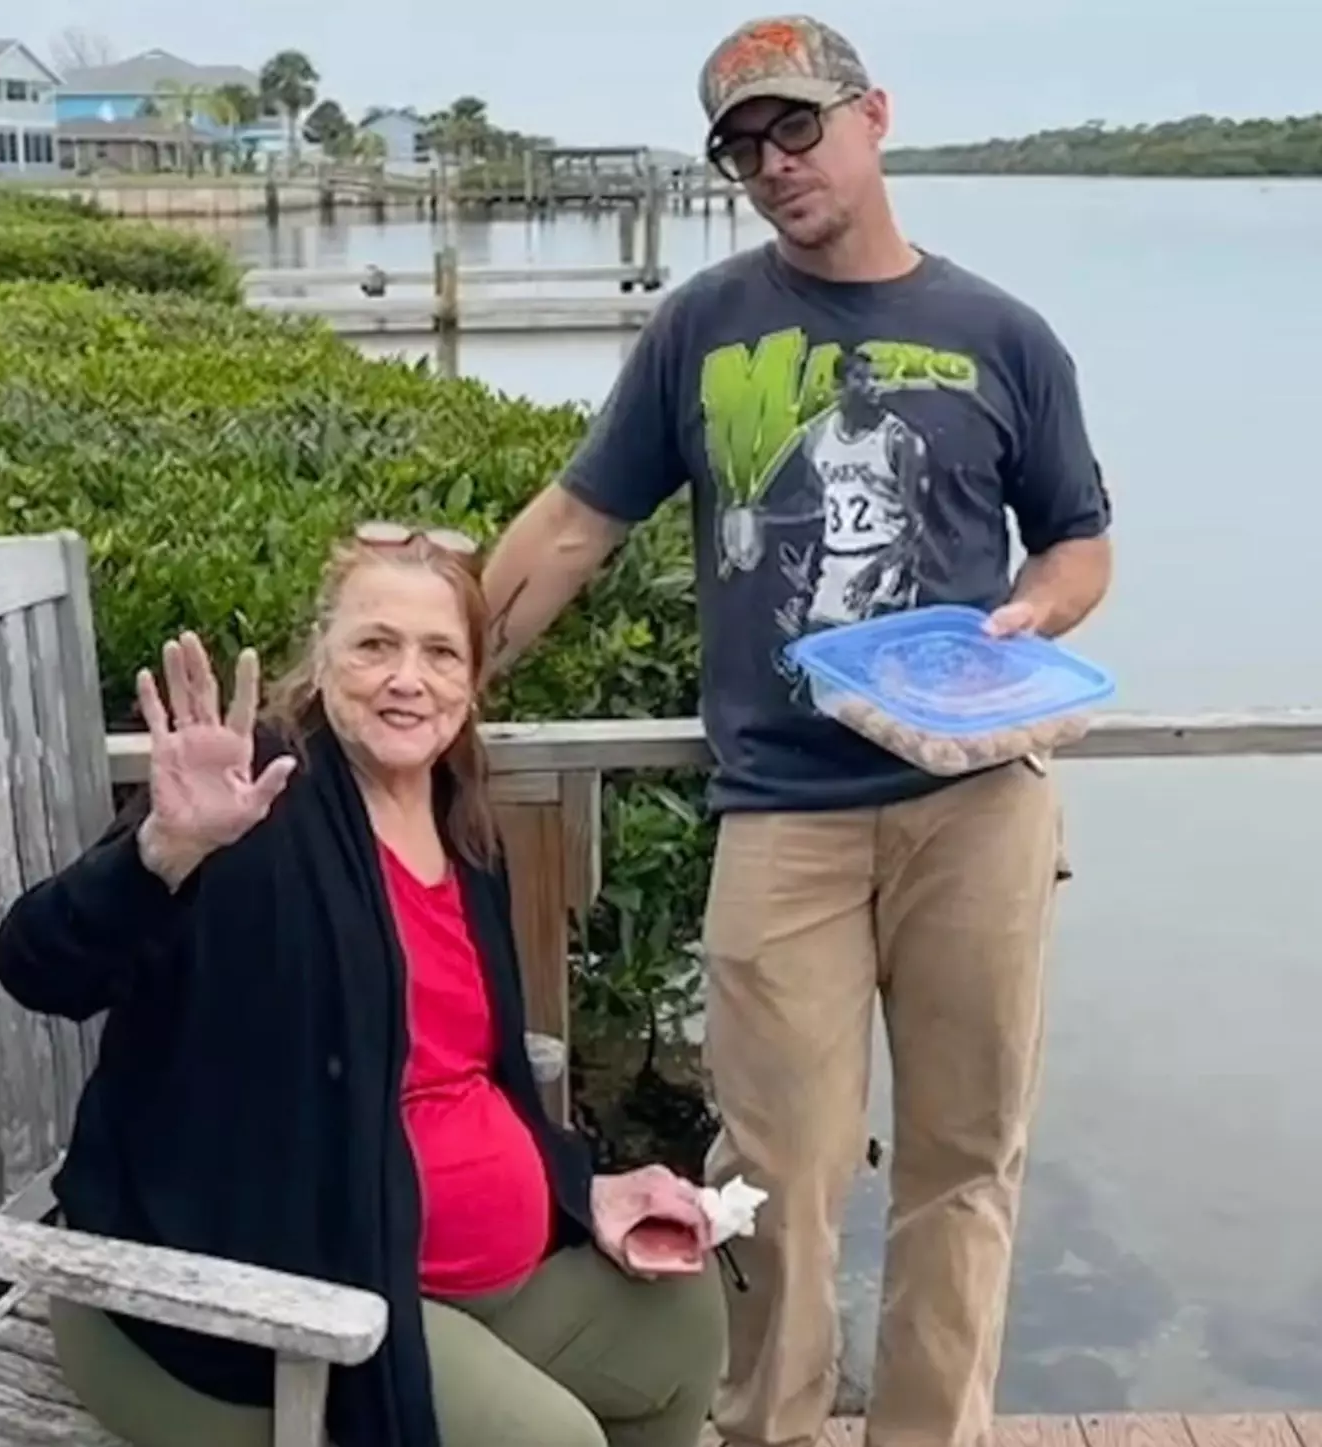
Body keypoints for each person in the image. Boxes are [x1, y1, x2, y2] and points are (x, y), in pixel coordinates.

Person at [479, 15, 1114, 1447]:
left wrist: (1029, 621)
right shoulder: (701, 325)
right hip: (782, 809)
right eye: (741, 147)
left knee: (967, 1154)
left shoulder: (1006, 333)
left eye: (796, 128)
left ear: (873, 116)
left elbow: (1079, 543)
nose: (772, 165)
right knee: (772, 1161)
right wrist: (445, 676)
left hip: (981, 798)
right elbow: (579, 522)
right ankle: (764, 1425)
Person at [0, 522, 727, 1447]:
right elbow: (37, 966)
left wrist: (583, 1187)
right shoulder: (255, 807)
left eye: (439, 653)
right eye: (375, 644)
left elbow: (481, 1072)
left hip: (441, 1278)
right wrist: (162, 852)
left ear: (472, 681)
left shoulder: (459, 820)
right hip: (265, 1306)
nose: (406, 678)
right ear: (323, 657)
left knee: (682, 1317)